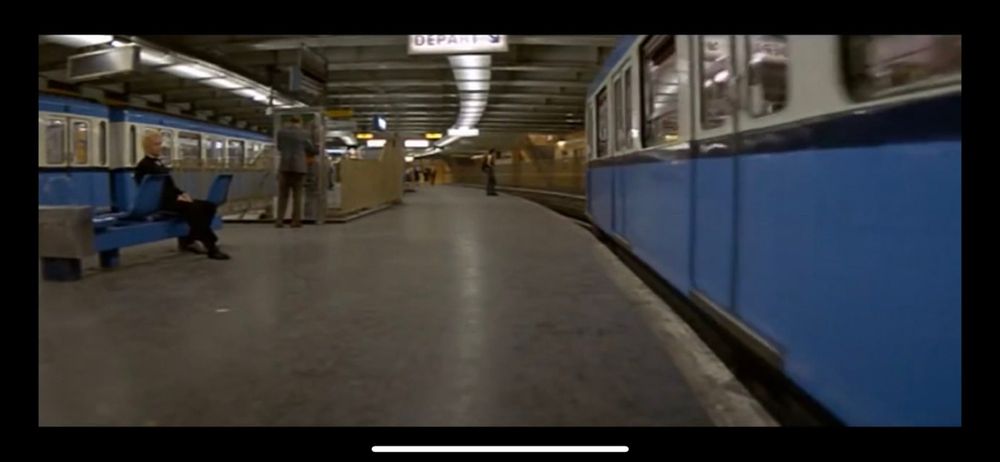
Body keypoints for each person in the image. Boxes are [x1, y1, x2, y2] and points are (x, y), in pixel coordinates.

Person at [134, 130, 230, 260]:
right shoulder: (144, 166)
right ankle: (211, 246)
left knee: (209, 206)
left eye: (160, 143)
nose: (160, 147)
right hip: (162, 202)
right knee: (195, 210)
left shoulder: (158, 163)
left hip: (171, 199)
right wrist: (176, 197)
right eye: (156, 144)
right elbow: (154, 191)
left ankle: (191, 238)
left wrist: (182, 194)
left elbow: (170, 186)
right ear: (147, 147)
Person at [275, 116, 318, 228]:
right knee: (297, 196)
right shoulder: (304, 133)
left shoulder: (281, 133)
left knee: (283, 195)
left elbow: (279, 147)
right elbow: (312, 150)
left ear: (288, 122)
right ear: (300, 122)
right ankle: (295, 221)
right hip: (299, 168)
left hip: (284, 167)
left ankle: (279, 220)